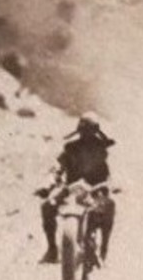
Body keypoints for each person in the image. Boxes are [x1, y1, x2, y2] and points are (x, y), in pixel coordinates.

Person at [38, 111, 116, 264]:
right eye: (84, 130)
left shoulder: (101, 150)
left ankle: (103, 250)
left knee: (110, 206)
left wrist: (111, 185)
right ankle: (52, 249)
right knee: (47, 206)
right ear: (79, 131)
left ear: (96, 131)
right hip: (71, 190)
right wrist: (48, 184)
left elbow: (110, 174)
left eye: (90, 130)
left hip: (95, 190)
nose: (86, 135)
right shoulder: (70, 149)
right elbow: (58, 169)